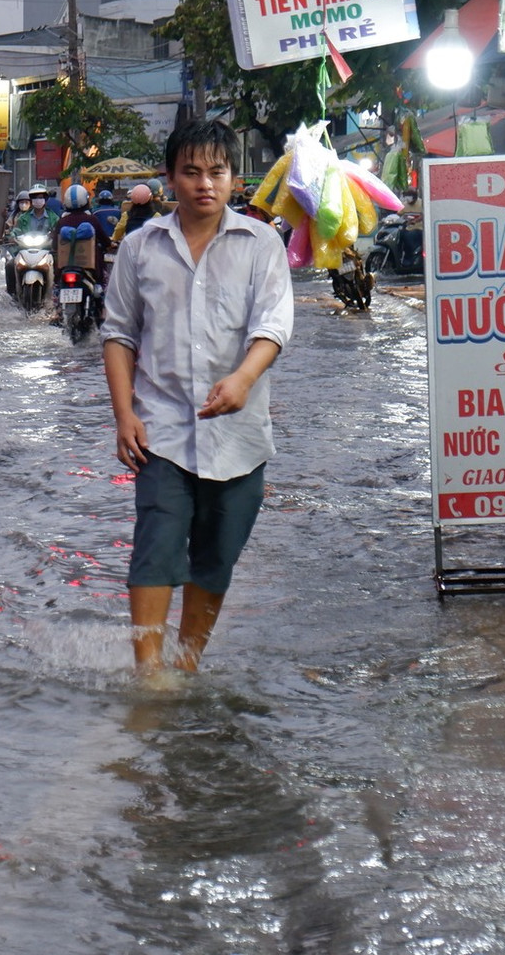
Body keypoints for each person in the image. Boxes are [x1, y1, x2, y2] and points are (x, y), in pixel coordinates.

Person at [99, 119, 293, 675]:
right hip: (160, 430)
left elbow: (273, 325)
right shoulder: (139, 248)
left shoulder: (261, 244)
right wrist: (123, 415)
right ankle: (148, 675)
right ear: (170, 179)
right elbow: (118, 335)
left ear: (234, 179)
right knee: (155, 544)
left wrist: (243, 379)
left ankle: (186, 663)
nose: (205, 183)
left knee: (215, 557)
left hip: (240, 436)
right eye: (191, 172)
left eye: (217, 172)